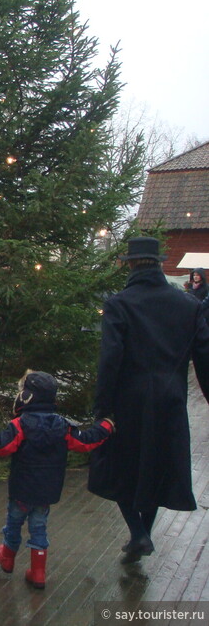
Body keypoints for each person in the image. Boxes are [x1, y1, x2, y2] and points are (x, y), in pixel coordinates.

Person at [88, 236, 209, 564]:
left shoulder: (120, 304)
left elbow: (110, 359)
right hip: (170, 400)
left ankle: (138, 534)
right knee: (156, 466)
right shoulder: (190, 305)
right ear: (158, 263)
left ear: (130, 264)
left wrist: (102, 406)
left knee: (120, 468)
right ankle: (142, 534)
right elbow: (205, 357)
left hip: (128, 400)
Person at [0, 371, 114, 589]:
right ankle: (38, 572)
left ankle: (7, 556)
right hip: (47, 491)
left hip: (22, 490)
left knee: (14, 523)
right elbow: (85, 442)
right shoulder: (63, 425)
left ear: (27, 396)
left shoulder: (21, 425)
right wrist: (105, 426)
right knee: (39, 527)